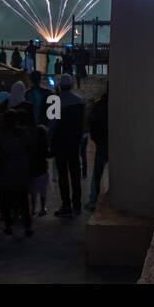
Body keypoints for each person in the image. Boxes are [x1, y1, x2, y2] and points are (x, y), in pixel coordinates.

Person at [0, 96, 34, 236]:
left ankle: (8, 225)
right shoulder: (23, 133)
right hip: (20, 173)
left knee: (6, 201)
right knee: (23, 201)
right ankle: (27, 226)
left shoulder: (3, 135)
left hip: (6, 173)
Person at [50, 75, 86, 217]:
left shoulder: (55, 102)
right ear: (71, 85)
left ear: (59, 86)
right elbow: (83, 123)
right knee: (75, 173)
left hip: (60, 144)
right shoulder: (80, 101)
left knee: (63, 176)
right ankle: (77, 205)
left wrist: (50, 141)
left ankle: (66, 205)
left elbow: (52, 126)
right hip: (74, 143)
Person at [86, 89, 109, 211]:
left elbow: (92, 123)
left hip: (102, 142)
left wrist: (96, 139)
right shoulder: (120, 103)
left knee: (97, 174)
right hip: (114, 142)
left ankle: (93, 201)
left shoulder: (99, 105)